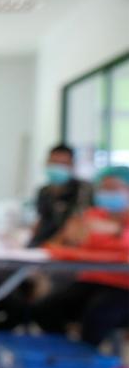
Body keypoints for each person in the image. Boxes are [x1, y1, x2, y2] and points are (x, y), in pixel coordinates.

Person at [31, 165, 129, 345]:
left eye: (113, 188)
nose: (107, 193)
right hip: (92, 281)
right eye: (104, 188)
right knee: (44, 310)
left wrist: (117, 231)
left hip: (123, 288)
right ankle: (64, 356)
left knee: (97, 316)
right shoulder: (92, 216)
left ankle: (91, 366)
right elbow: (58, 243)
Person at [29, 144, 93, 247]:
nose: (57, 167)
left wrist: (52, 247)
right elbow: (41, 221)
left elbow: (77, 222)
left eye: (63, 164)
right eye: (54, 162)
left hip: (66, 247)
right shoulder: (44, 191)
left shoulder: (83, 189)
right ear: (47, 163)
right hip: (42, 246)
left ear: (72, 165)